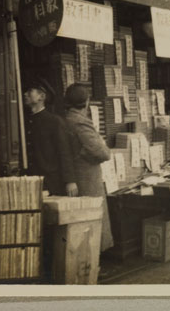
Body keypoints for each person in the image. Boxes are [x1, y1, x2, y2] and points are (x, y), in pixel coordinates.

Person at [64, 83, 114, 252]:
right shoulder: (80, 122)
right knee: (93, 219)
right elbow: (102, 153)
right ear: (86, 102)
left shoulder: (67, 119)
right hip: (87, 177)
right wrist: (103, 146)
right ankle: (94, 261)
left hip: (77, 176)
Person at [24, 79, 78, 196]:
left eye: (30, 91)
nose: (25, 94)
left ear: (41, 96)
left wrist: (70, 180)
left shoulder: (54, 121)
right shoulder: (25, 121)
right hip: (31, 180)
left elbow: (64, 151)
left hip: (51, 181)